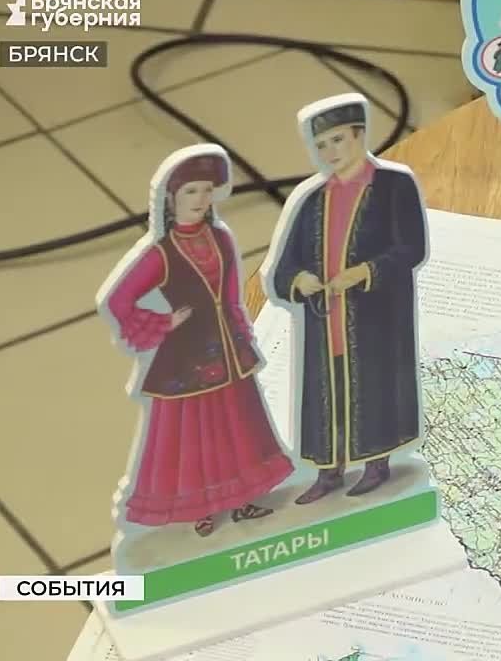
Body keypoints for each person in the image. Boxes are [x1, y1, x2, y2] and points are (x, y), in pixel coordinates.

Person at [98, 147, 294, 538]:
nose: (200, 199)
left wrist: (244, 337)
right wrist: (163, 322)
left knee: (236, 425)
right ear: (171, 198)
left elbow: (233, 297)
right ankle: (201, 509)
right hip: (186, 358)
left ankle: (242, 499)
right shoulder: (161, 253)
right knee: (195, 436)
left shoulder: (221, 238)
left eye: (206, 190)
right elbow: (116, 301)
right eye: (191, 191)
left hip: (228, 350)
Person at [266, 95, 428, 503]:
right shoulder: (313, 201)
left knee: (372, 383)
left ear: (360, 134)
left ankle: (376, 463)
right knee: (326, 390)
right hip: (323, 318)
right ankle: (329, 470)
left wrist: (363, 272)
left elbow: (411, 247)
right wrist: (300, 279)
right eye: (321, 145)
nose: (329, 152)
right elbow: (284, 267)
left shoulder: (394, 186)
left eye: (337, 140)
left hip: (374, 314)